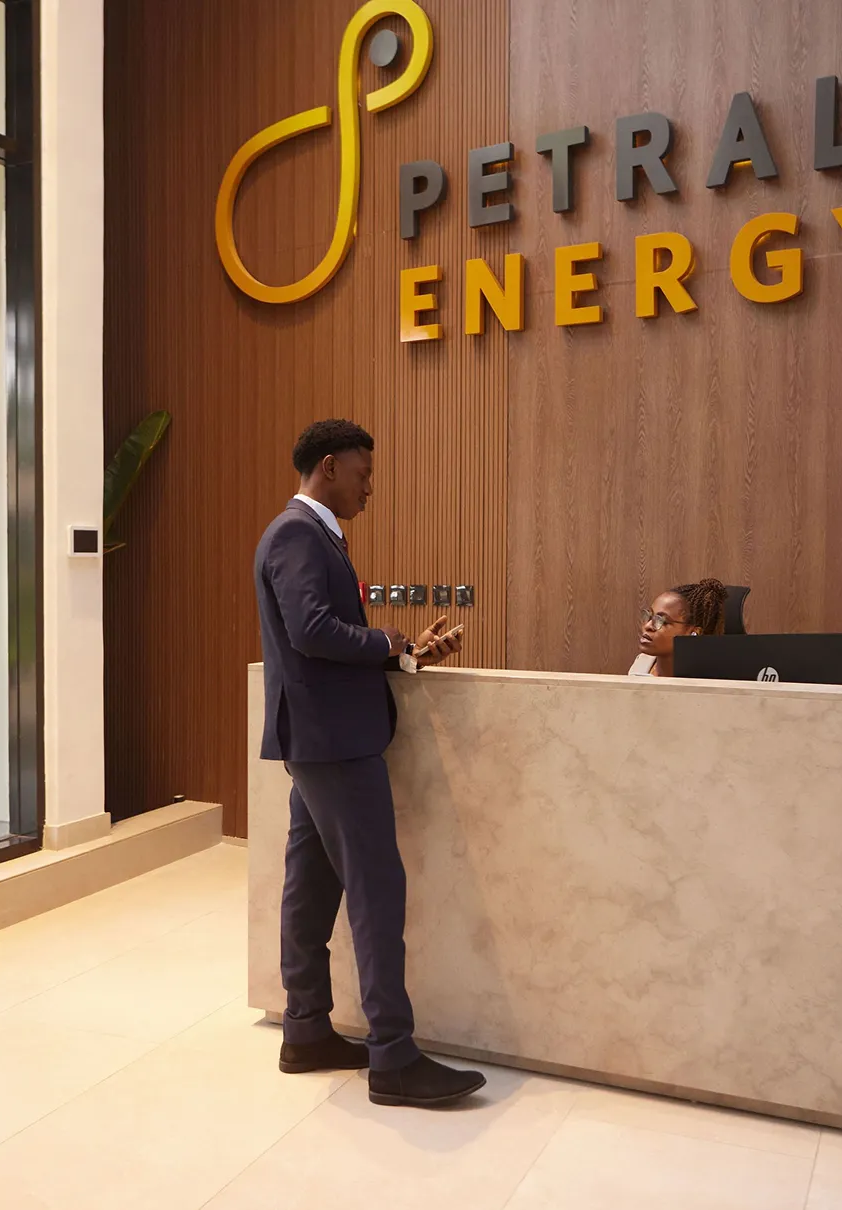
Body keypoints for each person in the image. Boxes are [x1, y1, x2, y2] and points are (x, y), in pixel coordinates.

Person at [254, 418, 483, 1108]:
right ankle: (393, 1056)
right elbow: (310, 630)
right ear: (329, 467)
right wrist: (384, 638)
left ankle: (306, 1030)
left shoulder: (309, 534)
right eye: (363, 474)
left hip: (320, 740)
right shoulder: (298, 533)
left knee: (311, 886)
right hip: (335, 743)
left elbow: (322, 642)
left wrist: (403, 655)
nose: (370, 488)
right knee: (377, 889)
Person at [629, 579, 728, 677]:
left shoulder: (708, 681)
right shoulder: (642, 663)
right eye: (649, 616)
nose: (647, 626)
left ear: (694, 632)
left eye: (661, 621)